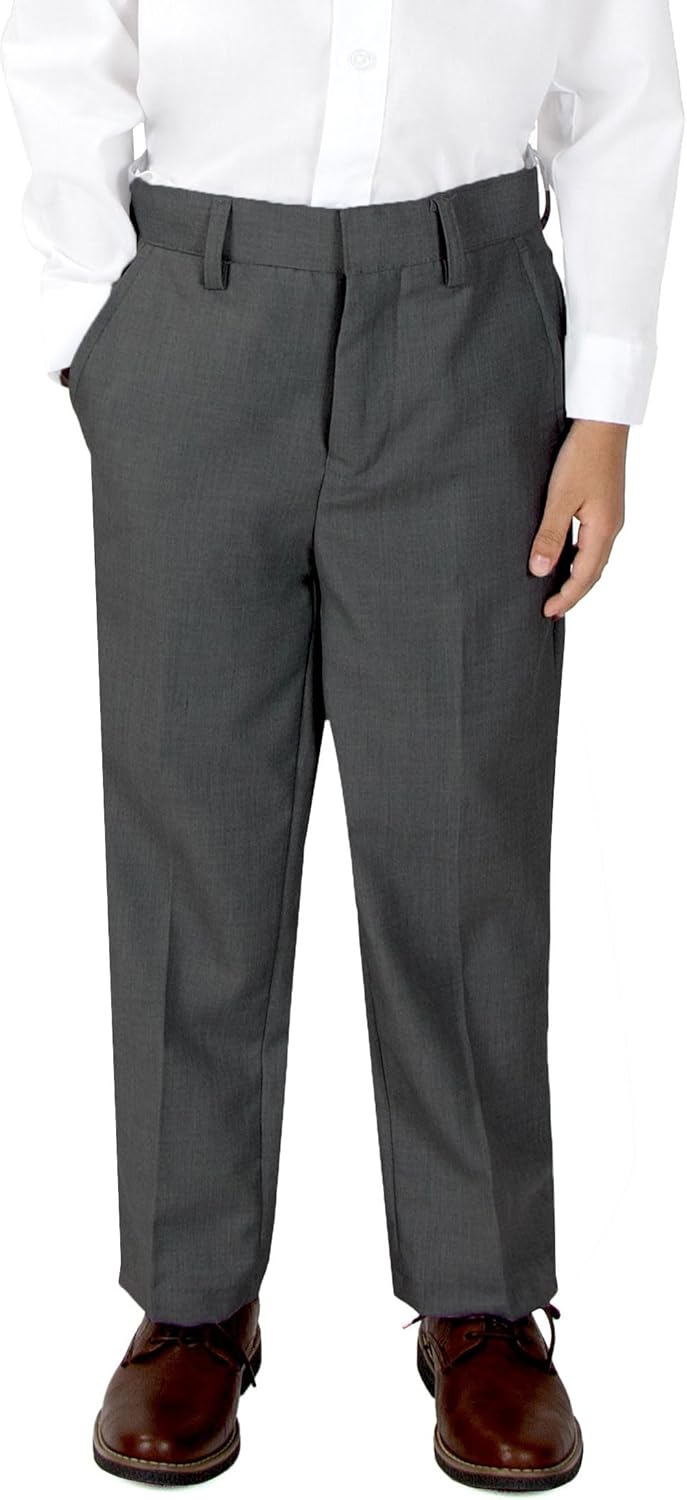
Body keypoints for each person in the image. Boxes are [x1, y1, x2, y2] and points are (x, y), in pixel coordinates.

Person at [2, 1, 683, 1491]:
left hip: (470, 322)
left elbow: (625, 71)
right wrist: (89, 309)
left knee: (463, 834)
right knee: (192, 831)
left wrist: (607, 398)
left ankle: (483, 1303)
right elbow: (59, 24)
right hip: (193, 305)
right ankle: (191, 1300)